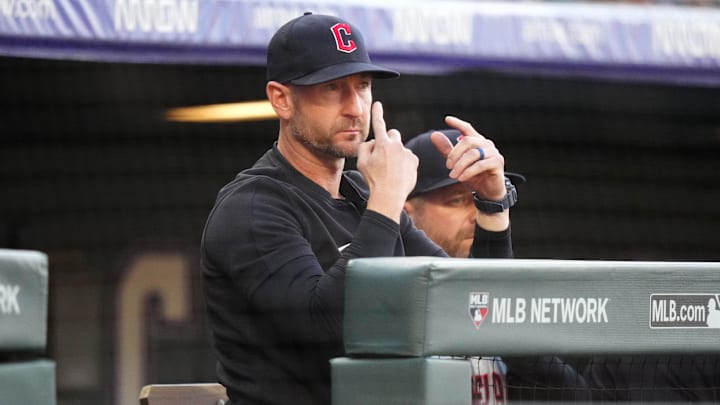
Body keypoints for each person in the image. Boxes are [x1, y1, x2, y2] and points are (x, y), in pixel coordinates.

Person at [200, 12, 516, 405]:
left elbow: (467, 304)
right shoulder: (253, 206)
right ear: (281, 99)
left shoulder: (361, 197)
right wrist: (386, 199)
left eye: (362, 86)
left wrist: (492, 204)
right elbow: (329, 332)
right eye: (332, 88)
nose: (355, 107)